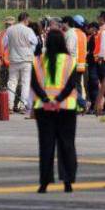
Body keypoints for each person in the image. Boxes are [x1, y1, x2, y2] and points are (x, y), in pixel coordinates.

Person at [30, 29, 81, 193]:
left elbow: (34, 84)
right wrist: (58, 100)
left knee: (46, 145)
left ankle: (44, 183)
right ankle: (68, 181)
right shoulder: (70, 61)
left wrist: (46, 100)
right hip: (66, 107)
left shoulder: (37, 61)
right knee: (66, 144)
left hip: (43, 109)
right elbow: (72, 84)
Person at [6, 12, 39, 113]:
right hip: (26, 60)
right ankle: (22, 105)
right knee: (25, 82)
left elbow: (5, 43)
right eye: (28, 20)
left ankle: (9, 105)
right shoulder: (28, 30)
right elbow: (35, 42)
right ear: (25, 20)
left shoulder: (9, 30)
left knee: (12, 82)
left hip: (13, 59)